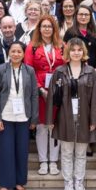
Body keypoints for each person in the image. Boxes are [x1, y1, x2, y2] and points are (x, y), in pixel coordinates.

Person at [48, 38, 96, 190]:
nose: (76, 53)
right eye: (73, 50)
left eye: (79, 50)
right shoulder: (59, 72)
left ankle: (79, 182)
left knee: (81, 153)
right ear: (68, 52)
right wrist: (50, 120)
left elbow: (95, 98)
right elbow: (51, 97)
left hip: (84, 117)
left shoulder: (91, 72)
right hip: (65, 117)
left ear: (83, 52)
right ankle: (68, 183)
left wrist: (94, 120)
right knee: (67, 152)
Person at [0, 42, 37, 190]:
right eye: (13, 51)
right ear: (8, 53)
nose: (16, 54)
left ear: (23, 54)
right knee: (5, 151)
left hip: (24, 116)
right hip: (5, 115)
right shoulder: (1, 69)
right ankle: (5, 184)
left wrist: (33, 119)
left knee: (21, 151)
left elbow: (34, 96)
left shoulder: (29, 71)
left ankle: (19, 182)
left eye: (19, 51)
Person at [25, 14, 64, 174]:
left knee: (54, 125)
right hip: (39, 91)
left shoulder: (61, 45)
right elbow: (28, 69)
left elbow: (67, 65)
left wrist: (59, 87)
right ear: (39, 29)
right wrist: (40, 88)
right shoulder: (32, 46)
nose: (47, 29)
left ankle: (53, 161)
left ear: (54, 28)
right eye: (44, 26)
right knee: (41, 126)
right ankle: (43, 161)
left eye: (49, 26)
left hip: (59, 89)